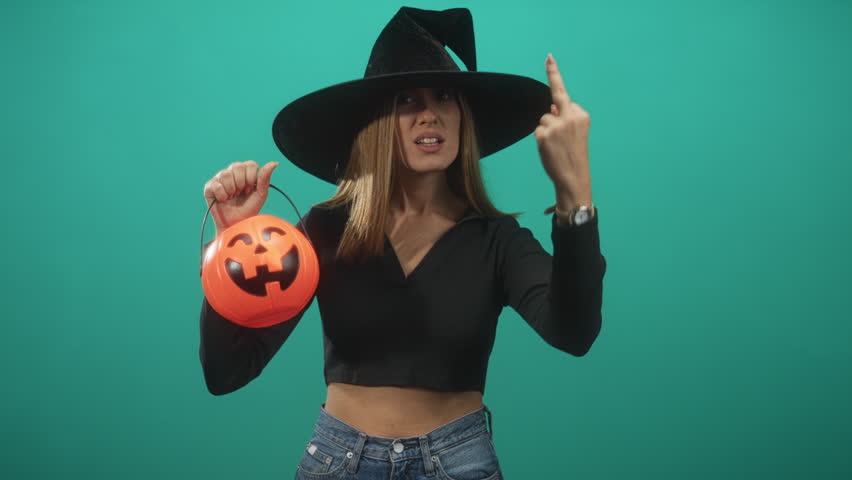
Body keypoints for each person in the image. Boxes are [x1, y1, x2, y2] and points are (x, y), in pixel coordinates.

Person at [199, 7, 606, 479]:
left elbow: (574, 332)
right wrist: (230, 241)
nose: (430, 114)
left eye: (445, 96)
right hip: (340, 462)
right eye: (408, 100)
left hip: (460, 463)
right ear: (376, 122)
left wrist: (574, 194)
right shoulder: (324, 231)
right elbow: (227, 372)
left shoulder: (497, 241)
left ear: (463, 117)